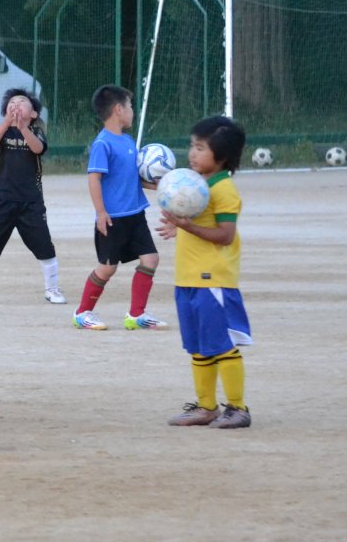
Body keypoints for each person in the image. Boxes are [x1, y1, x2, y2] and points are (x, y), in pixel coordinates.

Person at [157, 116, 253, 429]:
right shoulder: (195, 186)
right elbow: (197, 226)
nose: (192, 153)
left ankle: (238, 407)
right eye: (192, 146)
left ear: (221, 157)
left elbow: (225, 235)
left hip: (212, 280)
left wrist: (189, 227)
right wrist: (178, 226)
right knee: (198, 346)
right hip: (187, 279)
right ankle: (205, 406)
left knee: (221, 345)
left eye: (200, 148)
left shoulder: (224, 189)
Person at [73, 85, 165, 331]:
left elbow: (132, 177)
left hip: (136, 214)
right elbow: (94, 178)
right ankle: (82, 313)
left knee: (151, 259)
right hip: (113, 218)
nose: (132, 111)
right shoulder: (103, 143)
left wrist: (161, 186)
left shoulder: (127, 141)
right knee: (107, 268)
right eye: (130, 106)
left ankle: (136, 315)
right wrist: (101, 212)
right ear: (118, 109)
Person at [0, 89, 65, 304]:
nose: (16, 105)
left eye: (22, 102)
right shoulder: (3, 132)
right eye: (12, 103)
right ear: (5, 111)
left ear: (33, 114)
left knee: (44, 246)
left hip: (31, 201)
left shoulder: (36, 131)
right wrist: (6, 124)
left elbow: (38, 149)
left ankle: (52, 289)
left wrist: (23, 129)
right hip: (1, 200)